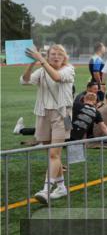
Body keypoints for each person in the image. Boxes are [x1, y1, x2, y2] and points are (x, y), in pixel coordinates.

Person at [20, 44, 75, 204]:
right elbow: (25, 81)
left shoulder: (69, 69)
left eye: (59, 54)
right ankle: (61, 187)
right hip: (43, 113)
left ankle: (46, 189)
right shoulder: (42, 70)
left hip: (62, 115)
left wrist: (41, 60)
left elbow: (57, 77)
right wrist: (31, 63)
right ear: (48, 56)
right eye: (52, 54)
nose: (56, 57)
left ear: (64, 57)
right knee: (49, 153)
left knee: (53, 154)